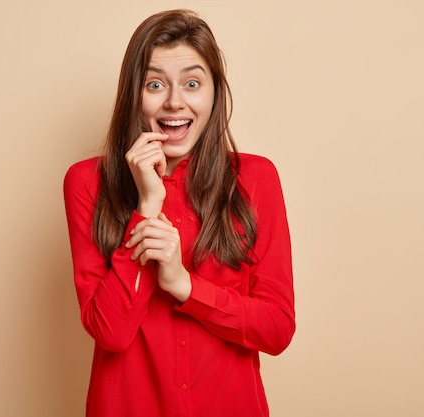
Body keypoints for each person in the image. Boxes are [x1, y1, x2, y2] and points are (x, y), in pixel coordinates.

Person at [63, 9, 295, 417]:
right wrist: (147, 206)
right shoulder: (86, 183)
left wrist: (184, 286)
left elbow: (276, 328)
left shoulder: (257, 179)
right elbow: (110, 332)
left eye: (192, 83)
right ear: (134, 93)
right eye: (155, 84)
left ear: (214, 93)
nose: (174, 101)